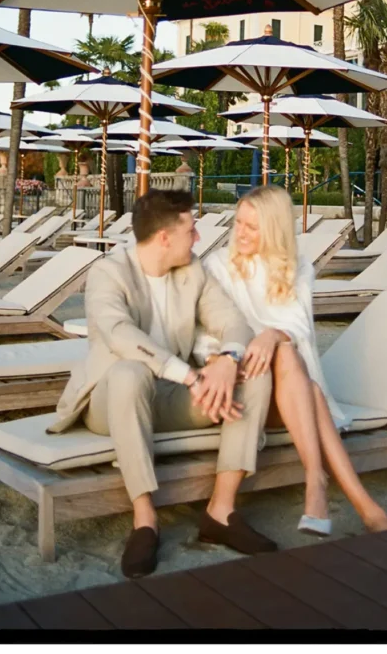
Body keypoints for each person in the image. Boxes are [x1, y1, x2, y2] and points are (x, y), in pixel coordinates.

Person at [47, 189, 277, 580]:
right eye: (192, 230)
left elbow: (234, 322)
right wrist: (191, 376)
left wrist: (228, 360)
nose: (198, 238)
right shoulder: (108, 273)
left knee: (255, 372)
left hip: (171, 400)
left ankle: (220, 511)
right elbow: (119, 334)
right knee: (130, 372)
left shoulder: (193, 271)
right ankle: (145, 519)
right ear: (165, 237)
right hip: (111, 401)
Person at [199, 185, 387, 537]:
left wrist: (273, 335)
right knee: (311, 391)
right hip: (246, 391)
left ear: (274, 230)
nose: (240, 233)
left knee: (287, 352)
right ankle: (341, 493)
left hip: (289, 391)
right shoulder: (217, 266)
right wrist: (247, 347)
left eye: (252, 226)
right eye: (238, 223)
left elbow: (299, 326)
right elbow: (205, 332)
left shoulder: (298, 268)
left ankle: (327, 488)